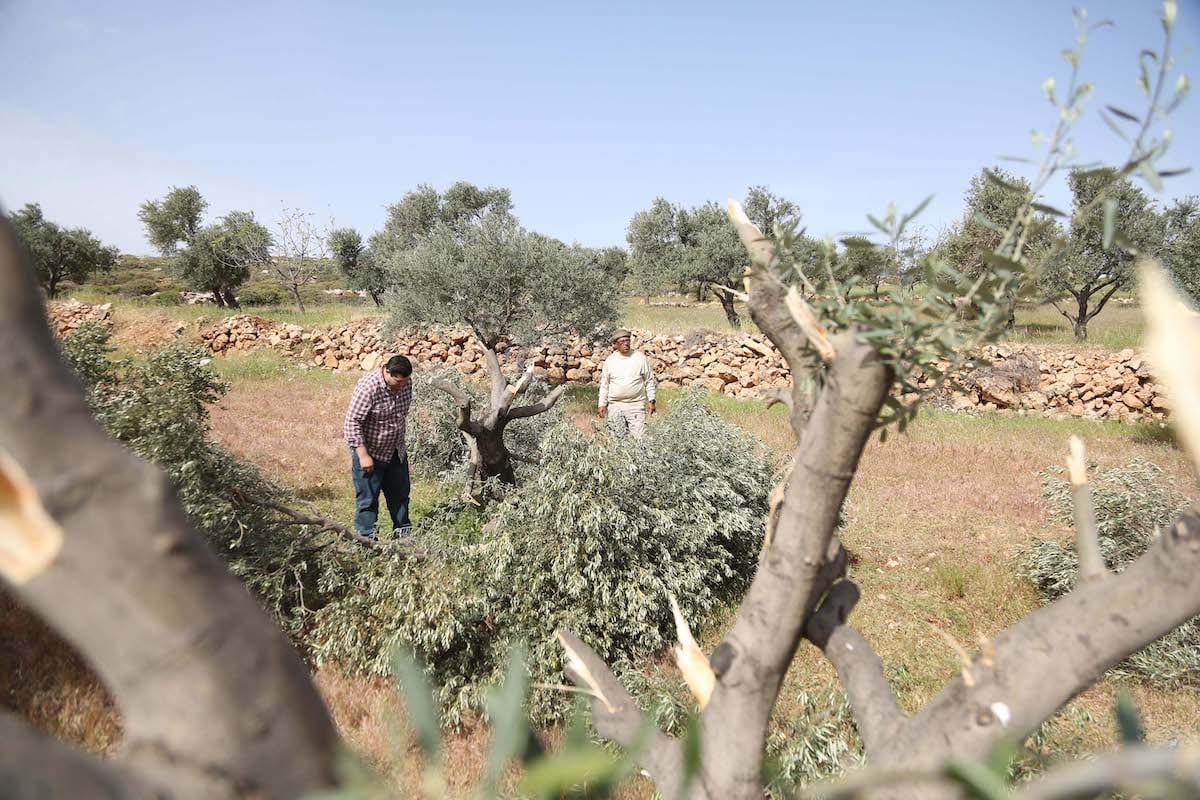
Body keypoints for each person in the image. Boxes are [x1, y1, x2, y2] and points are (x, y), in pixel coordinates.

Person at [343, 355, 414, 540]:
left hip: (396, 452)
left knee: (400, 496)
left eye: (404, 382)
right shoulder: (369, 387)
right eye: (397, 382)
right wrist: (363, 454)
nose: (401, 386)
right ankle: (367, 541)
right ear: (387, 371)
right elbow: (352, 422)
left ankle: (403, 536)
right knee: (367, 500)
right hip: (370, 453)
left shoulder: (406, 383)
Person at [597, 329, 657, 439]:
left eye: (627, 341)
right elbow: (604, 385)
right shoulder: (610, 361)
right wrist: (601, 404)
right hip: (615, 406)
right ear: (615, 345)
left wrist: (652, 400)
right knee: (617, 440)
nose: (625, 344)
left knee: (641, 439)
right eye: (622, 342)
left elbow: (649, 381)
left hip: (636, 405)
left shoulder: (639, 358)